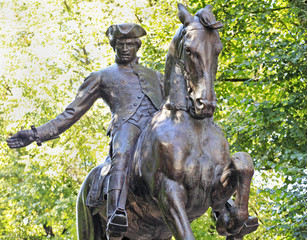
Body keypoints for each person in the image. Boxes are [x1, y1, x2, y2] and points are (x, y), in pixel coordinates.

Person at [6, 23, 164, 238]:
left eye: (129, 44)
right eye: (120, 44)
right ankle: (117, 212)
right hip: (127, 127)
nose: (125, 48)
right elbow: (71, 112)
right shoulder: (102, 76)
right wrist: (36, 134)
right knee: (122, 152)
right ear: (113, 46)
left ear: (137, 45)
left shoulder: (156, 76)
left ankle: (223, 208)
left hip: (158, 131)